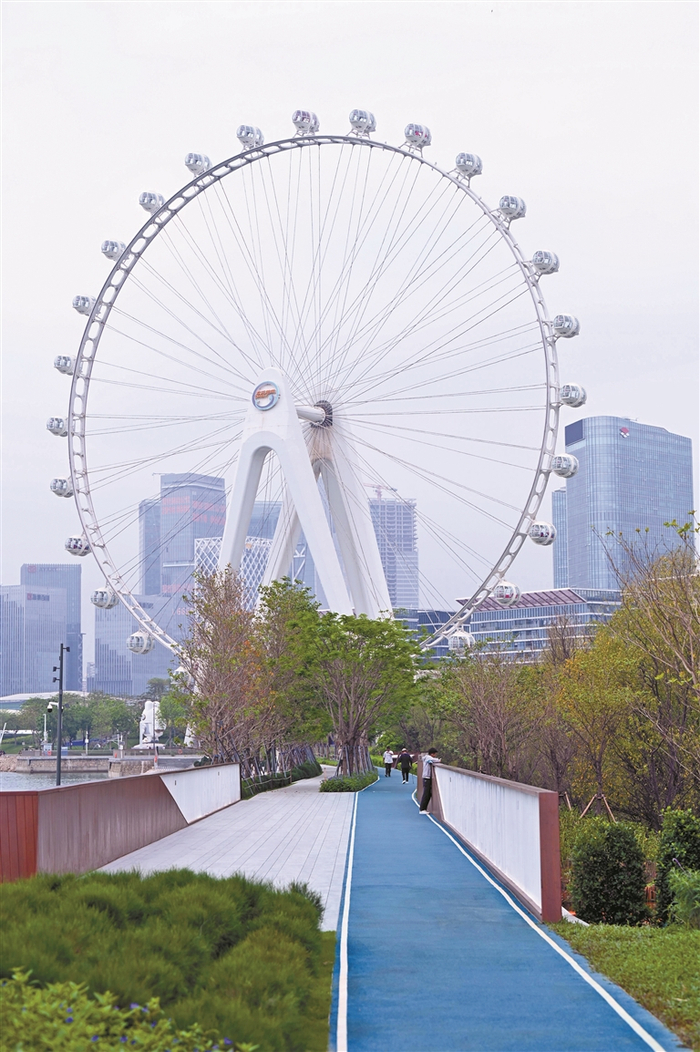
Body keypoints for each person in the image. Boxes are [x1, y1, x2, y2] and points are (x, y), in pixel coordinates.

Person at [419, 748, 441, 813]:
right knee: (426, 793)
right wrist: (439, 760)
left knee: (428, 793)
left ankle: (424, 808)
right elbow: (434, 760)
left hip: (427, 777)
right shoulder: (428, 758)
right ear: (432, 753)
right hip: (426, 777)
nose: (435, 755)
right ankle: (422, 809)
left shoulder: (427, 758)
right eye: (435, 754)